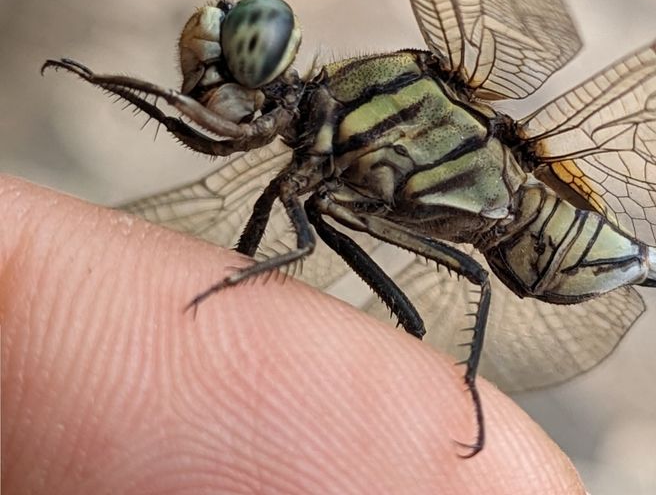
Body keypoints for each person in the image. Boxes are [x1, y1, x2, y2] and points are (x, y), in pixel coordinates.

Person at [0, 175, 587, 494]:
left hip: (545, 234)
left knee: (460, 285)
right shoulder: (319, 152)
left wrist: (467, 388)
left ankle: (466, 389)